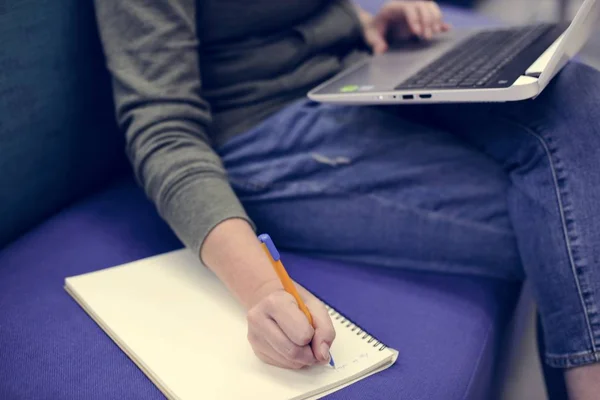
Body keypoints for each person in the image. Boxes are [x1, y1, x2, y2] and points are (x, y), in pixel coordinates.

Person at [94, 1, 600, 398]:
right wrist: (265, 290)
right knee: (570, 212)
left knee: (577, 91)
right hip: (263, 132)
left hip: (357, 74)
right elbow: (163, 130)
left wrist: (359, 21)